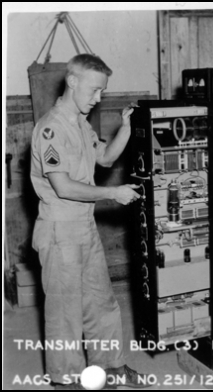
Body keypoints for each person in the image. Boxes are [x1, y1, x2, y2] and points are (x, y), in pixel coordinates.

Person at [30, 54, 147, 390]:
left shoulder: (81, 124)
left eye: (102, 92)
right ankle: (66, 382)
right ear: (73, 81)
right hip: (59, 229)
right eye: (96, 90)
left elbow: (107, 157)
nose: (99, 98)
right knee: (64, 315)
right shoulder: (51, 128)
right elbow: (63, 186)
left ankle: (110, 370)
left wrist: (125, 128)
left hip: (84, 227)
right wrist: (112, 193)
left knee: (102, 303)